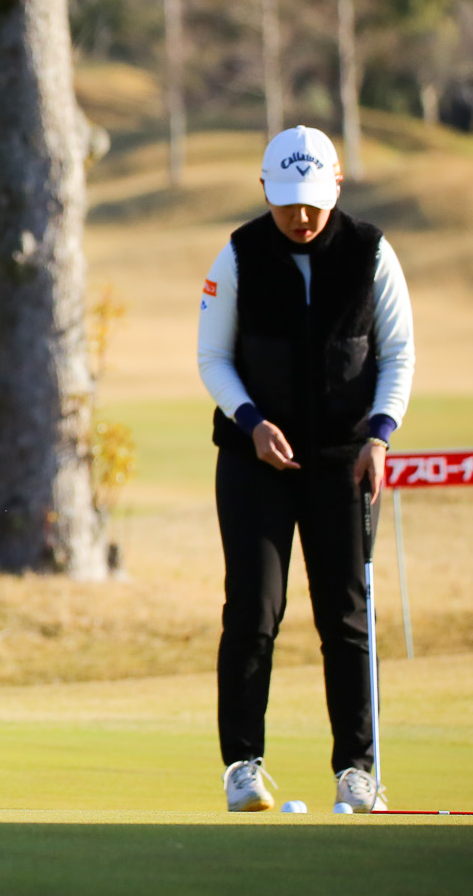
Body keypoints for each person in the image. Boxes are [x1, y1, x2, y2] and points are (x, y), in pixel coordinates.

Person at [197, 126, 414, 814]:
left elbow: (398, 354)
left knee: (347, 616)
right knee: (253, 611)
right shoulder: (237, 255)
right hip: (253, 459)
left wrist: (379, 436)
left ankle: (357, 769)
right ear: (265, 190)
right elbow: (213, 357)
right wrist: (251, 421)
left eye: (312, 202)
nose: (299, 215)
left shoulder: (371, 253)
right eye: (287, 201)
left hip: (345, 463)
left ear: (338, 185)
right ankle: (242, 765)